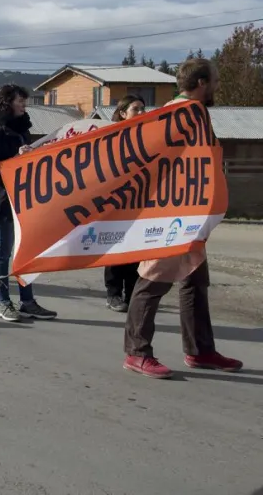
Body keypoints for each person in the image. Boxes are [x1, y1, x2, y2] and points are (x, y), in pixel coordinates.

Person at [123, 59, 242, 379]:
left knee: (194, 281)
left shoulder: (195, 113)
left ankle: (200, 350)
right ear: (202, 82)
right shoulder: (178, 113)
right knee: (153, 279)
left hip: (191, 214)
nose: (218, 85)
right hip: (171, 215)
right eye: (215, 79)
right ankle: (137, 352)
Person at [0, 84, 57, 323]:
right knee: (3, 253)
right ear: (7, 103)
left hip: (24, 199)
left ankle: (28, 302)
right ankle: (4, 303)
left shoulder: (23, 128)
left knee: (25, 252)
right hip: (1, 201)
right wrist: (16, 158)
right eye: (20, 101)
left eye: (24, 101)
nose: (24, 105)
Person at [101, 95, 145, 313]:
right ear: (123, 113)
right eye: (136, 109)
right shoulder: (111, 136)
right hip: (117, 201)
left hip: (139, 201)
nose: (141, 113)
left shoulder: (147, 136)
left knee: (136, 249)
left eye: (143, 109)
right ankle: (114, 294)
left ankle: (133, 294)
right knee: (116, 247)